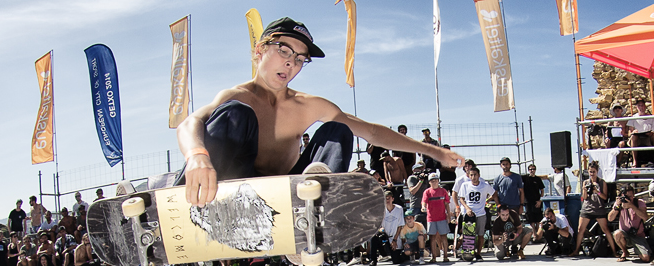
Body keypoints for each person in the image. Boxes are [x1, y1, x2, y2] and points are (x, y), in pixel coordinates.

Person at [177, 17, 461, 208]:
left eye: (300, 59)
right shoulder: (236, 96)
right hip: (232, 187)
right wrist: (197, 158)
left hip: (288, 195)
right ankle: (182, 198)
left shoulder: (307, 105)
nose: (291, 64)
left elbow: (371, 132)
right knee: (236, 113)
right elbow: (191, 123)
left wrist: (434, 151)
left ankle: (313, 207)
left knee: (338, 128)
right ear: (259, 50)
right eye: (284, 51)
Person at [574, 161, 617, 258]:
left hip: (599, 209)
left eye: (593, 172)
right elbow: (584, 198)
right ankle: (576, 250)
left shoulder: (602, 182)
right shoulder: (585, 182)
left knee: (606, 230)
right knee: (580, 229)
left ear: (597, 171)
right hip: (587, 208)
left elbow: (605, 197)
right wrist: (585, 190)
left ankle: (614, 251)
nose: (592, 174)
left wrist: (597, 191)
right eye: (590, 172)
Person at [457, 165, 497, 260]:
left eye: (475, 175)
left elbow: (494, 194)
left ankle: (478, 253)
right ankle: (463, 252)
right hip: (468, 214)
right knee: (467, 235)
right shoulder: (465, 185)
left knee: (480, 235)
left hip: (480, 213)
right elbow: (461, 198)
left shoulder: (485, 185)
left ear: (478, 175)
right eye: (471, 175)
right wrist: (467, 208)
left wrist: (486, 200)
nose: (473, 177)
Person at [609, 185, 650, 263]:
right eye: (626, 197)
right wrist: (617, 206)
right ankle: (625, 252)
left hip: (638, 235)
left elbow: (645, 217)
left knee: (646, 258)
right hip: (625, 235)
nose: (628, 199)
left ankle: (637, 250)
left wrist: (632, 206)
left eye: (630, 196)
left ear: (634, 195)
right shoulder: (619, 203)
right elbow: (610, 218)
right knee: (617, 233)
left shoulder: (639, 203)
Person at [422, 173, 451, 263]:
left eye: (435, 180)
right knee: (432, 238)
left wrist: (449, 215)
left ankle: (445, 256)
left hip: (442, 217)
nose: (434, 182)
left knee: (444, 237)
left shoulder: (443, 191)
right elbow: (424, 202)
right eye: (432, 181)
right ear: (429, 182)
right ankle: (433, 257)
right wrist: (423, 207)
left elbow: (446, 204)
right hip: (431, 218)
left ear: (438, 181)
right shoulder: (427, 192)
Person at [371, 191, 404, 266]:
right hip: (384, 236)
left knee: (396, 261)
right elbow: (378, 225)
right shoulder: (380, 210)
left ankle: (406, 255)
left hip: (394, 237)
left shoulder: (399, 209)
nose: (387, 201)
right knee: (374, 237)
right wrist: (381, 230)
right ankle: (373, 260)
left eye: (389, 198)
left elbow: (400, 226)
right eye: (385, 199)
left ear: (392, 199)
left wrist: (395, 240)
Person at [627, 99, 654, 167]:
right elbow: (629, 132)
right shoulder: (633, 118)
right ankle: (634, 160)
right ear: (636, 107)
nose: (641, 107)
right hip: (637, 138)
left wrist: (651, 133)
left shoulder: (651, 117)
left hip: (648, 137)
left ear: (645, 106)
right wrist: (633, 132)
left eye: (642, 105)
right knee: (633, 137)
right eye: (639, 105)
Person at [521, 163, 544, 230]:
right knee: (530, 218)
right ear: (528, 170)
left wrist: (540, 200)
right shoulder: (525, 178)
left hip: (536, 201)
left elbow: (542, 190)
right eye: (530, 169)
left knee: (538, 218)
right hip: (528, 201)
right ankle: (534, 233)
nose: (532, 170)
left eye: (533, 169)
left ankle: (538, 233)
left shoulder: (538, 179)